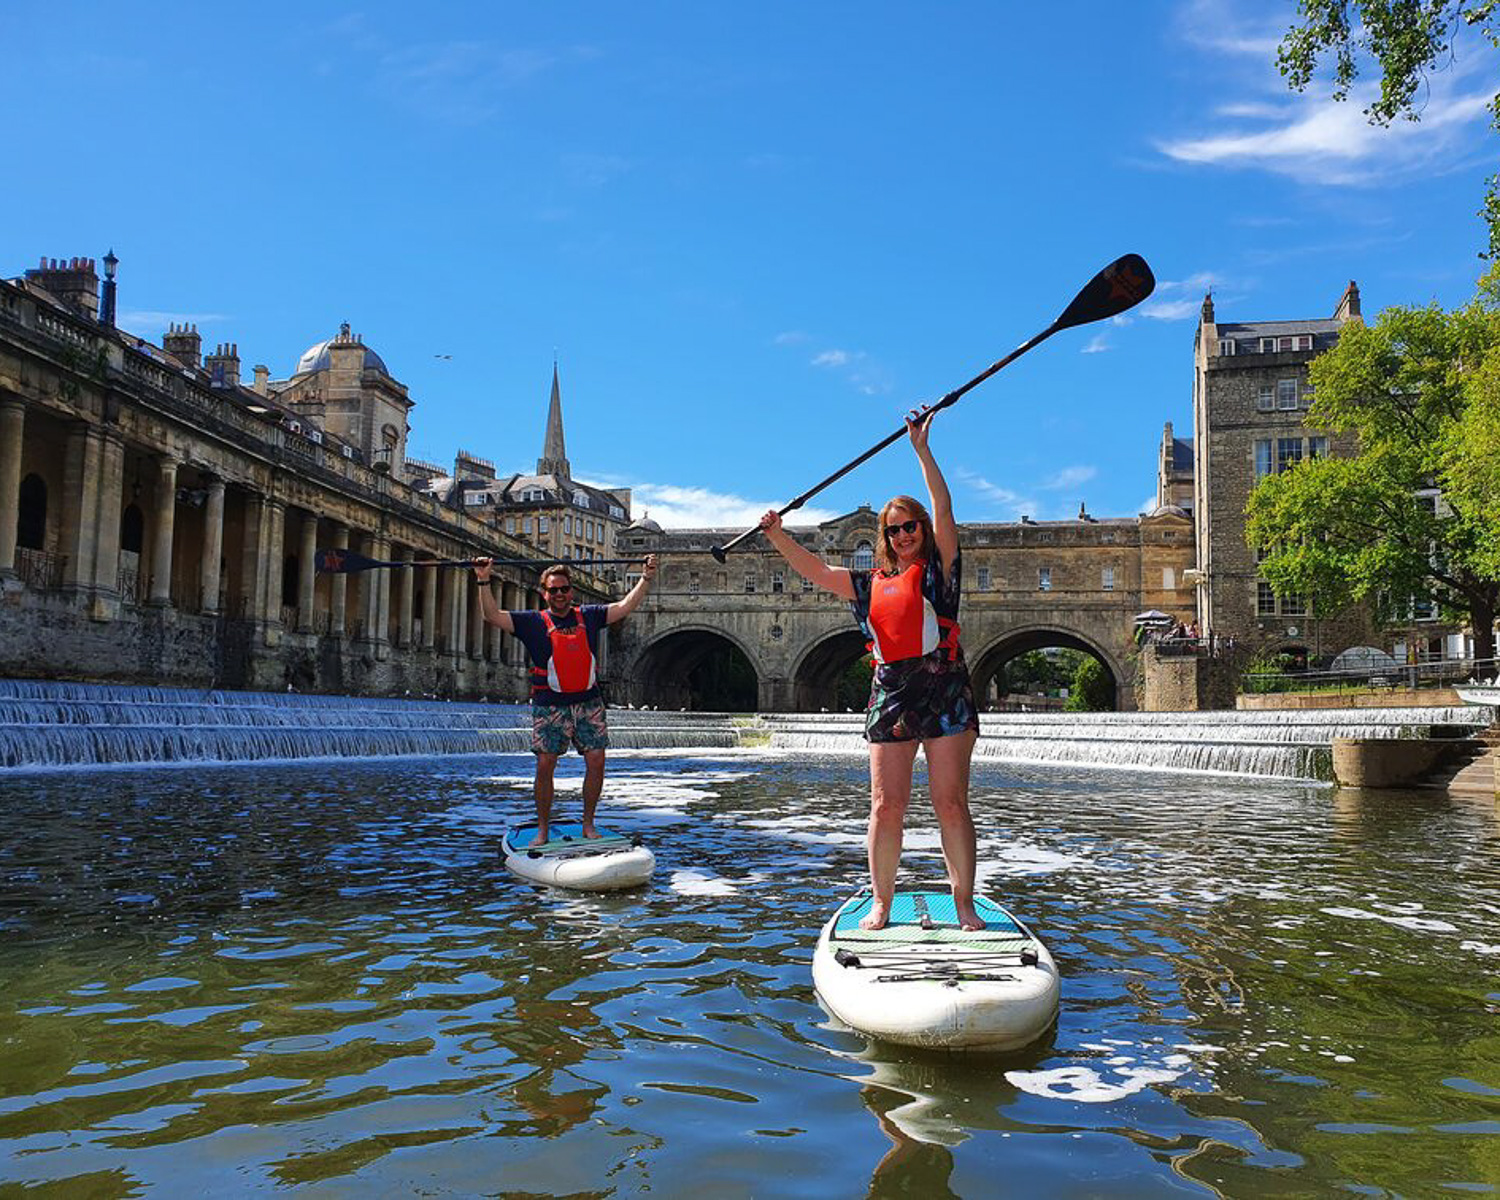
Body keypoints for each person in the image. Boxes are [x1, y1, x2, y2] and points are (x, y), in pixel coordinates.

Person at [759, 406, 982, 931]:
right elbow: (814, 570)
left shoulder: (940, 574)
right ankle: (881, 902)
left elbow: (945, 509)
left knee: (950, 803)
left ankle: (963, 902)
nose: (904, 534)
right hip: (892, 693)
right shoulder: (866, 584)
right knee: (885, 805)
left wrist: (922, 450)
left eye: (911, 527)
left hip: (944, 689)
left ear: (922, 531)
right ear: (883, 537)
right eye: (894, 529)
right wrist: (777, 535)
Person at [473, 555, 658, 846]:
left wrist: (645, 578)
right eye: (553, 590)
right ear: (544, 593)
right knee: (546, 764)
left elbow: (624, 607)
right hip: (550, 704)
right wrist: (484, 579)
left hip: (588, 702)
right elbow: (491, 615)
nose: (559, 594)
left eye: (564, 589)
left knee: (596, 760)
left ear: (571, 591)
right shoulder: (532, 622)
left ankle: (588, 825)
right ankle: (543, 830)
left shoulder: (590, 615)